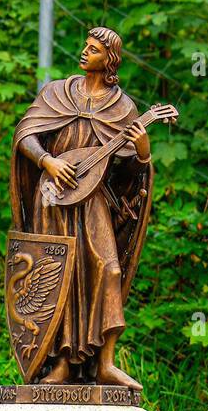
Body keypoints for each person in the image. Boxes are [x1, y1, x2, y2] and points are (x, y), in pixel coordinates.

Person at [9, 27, 153, 388]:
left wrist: (142, 152)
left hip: (93, 200)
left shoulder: (122, 108)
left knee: (108, 269)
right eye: (86, 46)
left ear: (110, 61)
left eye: (95, 49)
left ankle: (106, 363)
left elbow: (128, 176)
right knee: (60, 275)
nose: (85, 52)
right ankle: (61, 364)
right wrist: (47, 161)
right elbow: (25, 134)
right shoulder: (57, 92)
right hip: (54, 198)